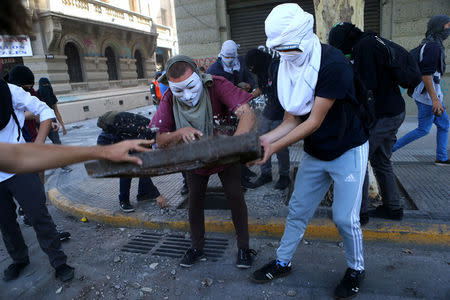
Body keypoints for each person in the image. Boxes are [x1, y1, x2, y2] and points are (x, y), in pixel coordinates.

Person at [250, 5, 369, 300]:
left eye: (286, 47)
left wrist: (273, 146)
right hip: (316, 152)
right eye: (278, 49)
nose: (283, 54)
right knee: (298, 210)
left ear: (303, 36)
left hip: (347, 148)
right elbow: (291, 120)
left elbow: (313, 120)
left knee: (345, 219)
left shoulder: (334, 63)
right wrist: (262, 140)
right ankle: (282, 262)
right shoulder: (283, 65)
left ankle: (356, 269)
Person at [150, 55, 257, 269]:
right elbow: (159, 139)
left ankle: (244, 248)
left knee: (235, 197)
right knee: (195, 201)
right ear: (171, 87)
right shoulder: (170, 97)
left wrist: (235, 145)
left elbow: (247, 114)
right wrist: (179, 133)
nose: (187, 96)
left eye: (191, 86)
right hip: (195, 156)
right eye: (179, 90)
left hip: (225, 151)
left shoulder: (217, 84)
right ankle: (197, 247)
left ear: (200, 77)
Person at [329, 23, 408, 225]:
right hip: (394, 111)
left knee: (358, 161)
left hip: (382, 116)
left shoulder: (364, 47)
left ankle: (359, 212)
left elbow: (366, 87)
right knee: (381, 160)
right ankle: (393, 207)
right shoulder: (372, 41)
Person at [0, 79, 75, 282]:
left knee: (39, 216)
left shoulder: (10, 91)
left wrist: (38, 145)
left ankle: (59, 262)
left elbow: (45, 111)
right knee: (5, 223)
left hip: (21, 167)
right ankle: (20, 259)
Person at [393, 15, 450, 165]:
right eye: (447, 26)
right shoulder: (433, 47)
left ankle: (442, 157)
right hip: (428, 97)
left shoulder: (430, 44)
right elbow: (426, 75)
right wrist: (435, 100)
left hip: (431, 95)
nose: (449, 29)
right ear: (439, 27)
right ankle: (389, 150)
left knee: (444, 124)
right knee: (423, 129)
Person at [207, 40, 257, 186]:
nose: (229, 60)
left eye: (231, 57)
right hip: (225, 113)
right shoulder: (214, 70)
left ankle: (245, 170)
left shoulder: (240, 61)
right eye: (226, 57)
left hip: (242, 108)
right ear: (221, 54)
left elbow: (250, 79)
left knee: (246, 138)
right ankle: (239, 178)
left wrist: (249, 86)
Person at [244, 48, 290, 190]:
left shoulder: (276, 67)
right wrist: (246, 97)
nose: (251, 70)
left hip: (281, 113)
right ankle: (266, 174)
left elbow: (282, 93)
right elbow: (263, 89)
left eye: (252, 66)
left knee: (280, 146)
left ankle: (284, 176)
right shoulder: (262, 70)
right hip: (269, 111)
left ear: (257, 62)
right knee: (261, 142)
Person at [97, 130, 166, 212]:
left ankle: (143, 193)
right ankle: (123, 201)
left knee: (143, 163)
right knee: (128, 170)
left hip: (120, 140)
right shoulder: (138, 138)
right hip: (106, 147)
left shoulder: (147, 135)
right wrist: (157, 195)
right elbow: (141, 172)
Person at [38, 77, 67, 143]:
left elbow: (56, 111)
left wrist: (62, 125)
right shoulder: (37, 95)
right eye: (44, 85)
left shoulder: (51, 95)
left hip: (52, 120)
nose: (46, 87)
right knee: (39, 143)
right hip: (40, 121)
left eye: (47, 85)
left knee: (57, 142)